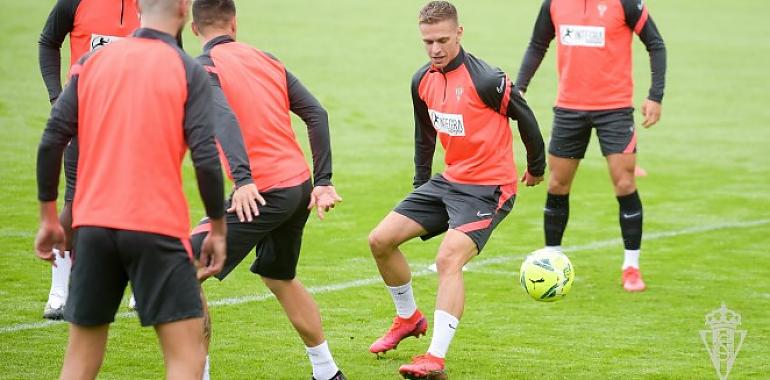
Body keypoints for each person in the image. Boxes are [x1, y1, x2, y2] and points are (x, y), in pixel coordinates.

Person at [34, 0, 228, 378]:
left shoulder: (91, 63)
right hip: (157, 227)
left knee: (79, 361)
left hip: (92, 229)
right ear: (184, 10)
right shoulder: (188, 70)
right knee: (186, 356)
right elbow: (205, 158)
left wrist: (47, 216)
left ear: (138, 8)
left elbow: (52, 140)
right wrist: (218, 228)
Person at [367, 2, 546, 378]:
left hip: (489, 188)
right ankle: (408, 318)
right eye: (428, 41)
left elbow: (525, 117)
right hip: (448, 182)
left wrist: (535, 167)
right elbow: (424, 135)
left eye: (442, 40)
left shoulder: (486, 79)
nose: (435, 48)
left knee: (449, 258)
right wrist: (420, 187)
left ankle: (434, 358)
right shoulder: (422, 80)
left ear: (459, 33)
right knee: (380, 240)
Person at [188, 1, 345, 379]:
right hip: (298, 187)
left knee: (182, 267)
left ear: (194, 29)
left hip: (262, 192)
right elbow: (316, 114)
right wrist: (322, 181)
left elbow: (221, 117)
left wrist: (242, 179)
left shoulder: (202, 67)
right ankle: (327, 372)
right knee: (279, 276)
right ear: (234, 23)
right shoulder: (266, 58)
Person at [515, 0, 667, 292]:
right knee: (557, 184)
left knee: (624, 183)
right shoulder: (554, 4)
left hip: (615, 109)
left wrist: (655, 95)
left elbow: (656, 44)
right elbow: (538, 44)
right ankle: (553, 262)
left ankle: (631, 267)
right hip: (569, 109)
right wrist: (520, 86)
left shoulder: (624, 3)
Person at [37, 0, 141, 320]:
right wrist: (58, 98)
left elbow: (171, 55)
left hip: (135, 121)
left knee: (137, 201)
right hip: (86, 119)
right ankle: (60, 289)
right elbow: (48, 41)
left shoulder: (153, 5)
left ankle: (140, 283)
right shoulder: (75, 2)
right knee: (76, 201)